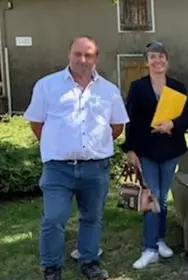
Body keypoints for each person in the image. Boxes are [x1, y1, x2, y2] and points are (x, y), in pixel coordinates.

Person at [23, 36, 129, 280]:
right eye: (78, 54)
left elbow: (116, 127)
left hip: (95, 168)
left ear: (96, 58)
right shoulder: (47, 86)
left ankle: (89, 261)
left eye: (89, 55)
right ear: (69, 54)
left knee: (92, 217)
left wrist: (93, 147)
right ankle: (51, 267)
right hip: (58, 169)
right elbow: (37, 123)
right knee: (54, 218)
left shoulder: (109, 90)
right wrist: (59, 146)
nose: (83, 60)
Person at [120, 42, 188, 269]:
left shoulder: (177, 86)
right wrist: (130, 149)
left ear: (167, 60)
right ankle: (149, 248)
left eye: (161, 56)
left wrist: (172, 123)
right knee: (151, 197)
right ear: (147, 61)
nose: (158, 60)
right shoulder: (138, 87)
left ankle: (160, 240)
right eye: (153, 57)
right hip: (146, 150)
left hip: (170, 149)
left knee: (162, 198)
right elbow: (130, 118)